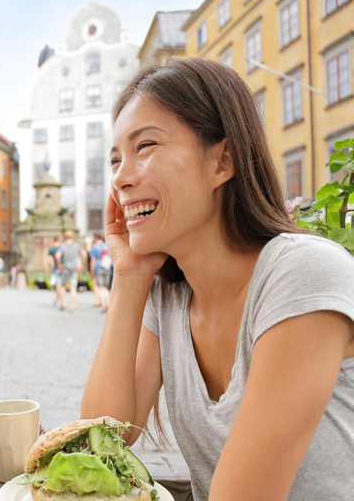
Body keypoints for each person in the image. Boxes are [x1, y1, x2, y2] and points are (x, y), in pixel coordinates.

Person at [80, 58, 354, 501]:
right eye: (115, 160)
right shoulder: (169, 293)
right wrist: (129, 276)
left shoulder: (303, 273)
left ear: (222, 161)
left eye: (145, 146)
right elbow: (102, 439)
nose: (121, 179)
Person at [55, 229, 86, 312]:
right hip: (74, 269)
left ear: (65, 237)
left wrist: (59, 264)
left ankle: (64, 303)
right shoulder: (76, 245)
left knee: (62, 286)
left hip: (65, 268)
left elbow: (57, 255)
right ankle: (72, 306)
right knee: (73, 287)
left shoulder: (63, 245)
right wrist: (81, 264)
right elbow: (84, 254)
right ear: (73, 236)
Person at [88, 233, 110, 311]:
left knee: (100, 287)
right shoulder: (106, 245)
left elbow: (93, 260)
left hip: (99, 269)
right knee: (106, 287)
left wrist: (91, 271)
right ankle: (106, 303)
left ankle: (103, 305)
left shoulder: (94, 247)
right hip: (107, 269)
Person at [47, 235, 63, 306]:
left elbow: (50, 261)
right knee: (63, 285)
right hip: (65, 269)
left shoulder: (52, 249)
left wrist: (51, 266)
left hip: (57, 268)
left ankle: (59, 300)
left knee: (58, 285)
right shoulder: (63, 247)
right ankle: (59, 299)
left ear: (54, 241)